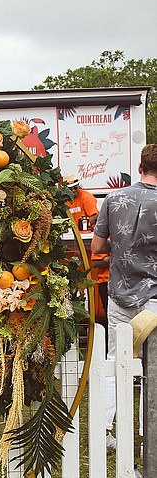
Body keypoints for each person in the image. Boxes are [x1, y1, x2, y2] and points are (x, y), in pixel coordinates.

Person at [91, 143, 157, 448]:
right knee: (152, 365)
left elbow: (97, 249)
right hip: (154, 297)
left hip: (119, 292)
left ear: (140, 167)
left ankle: (104, 430)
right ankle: (148, 436)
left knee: (114, 359)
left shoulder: (113, 198)